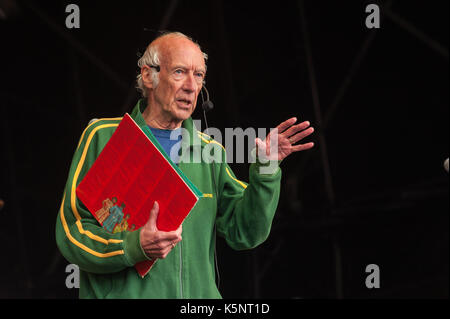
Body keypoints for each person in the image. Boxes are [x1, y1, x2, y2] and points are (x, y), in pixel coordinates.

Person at [55, 31, 315, 298]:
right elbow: (72, 233)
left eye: (199, 75)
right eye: (180, 72)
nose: (192, 86)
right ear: (149, 76)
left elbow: (246, 232)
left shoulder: (209, 150)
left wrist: (266, 169)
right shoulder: (105, 136)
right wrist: (134, 246)